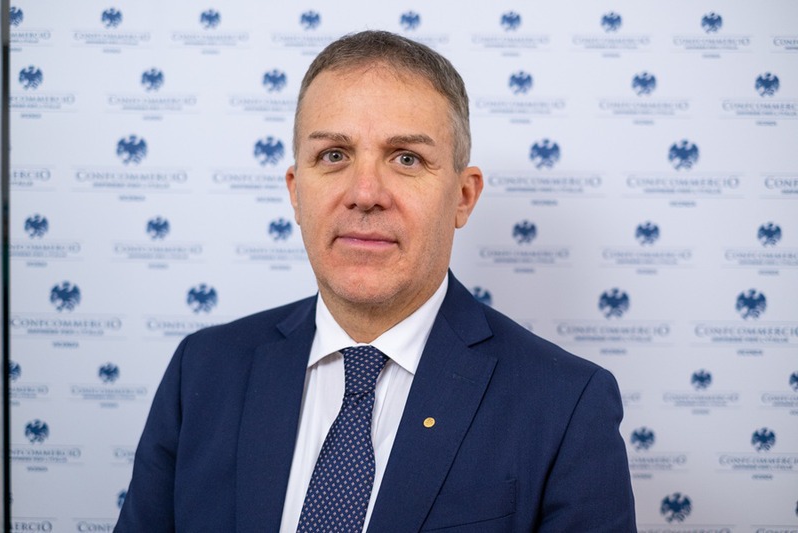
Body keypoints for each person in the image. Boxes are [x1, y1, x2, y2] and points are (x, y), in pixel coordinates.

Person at [116, 30, 636, 532]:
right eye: (334, 155)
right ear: (296, 192)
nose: (365, 194)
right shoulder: (203, 370)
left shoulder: (566, 404)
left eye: (407, 158)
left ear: (463, 197)